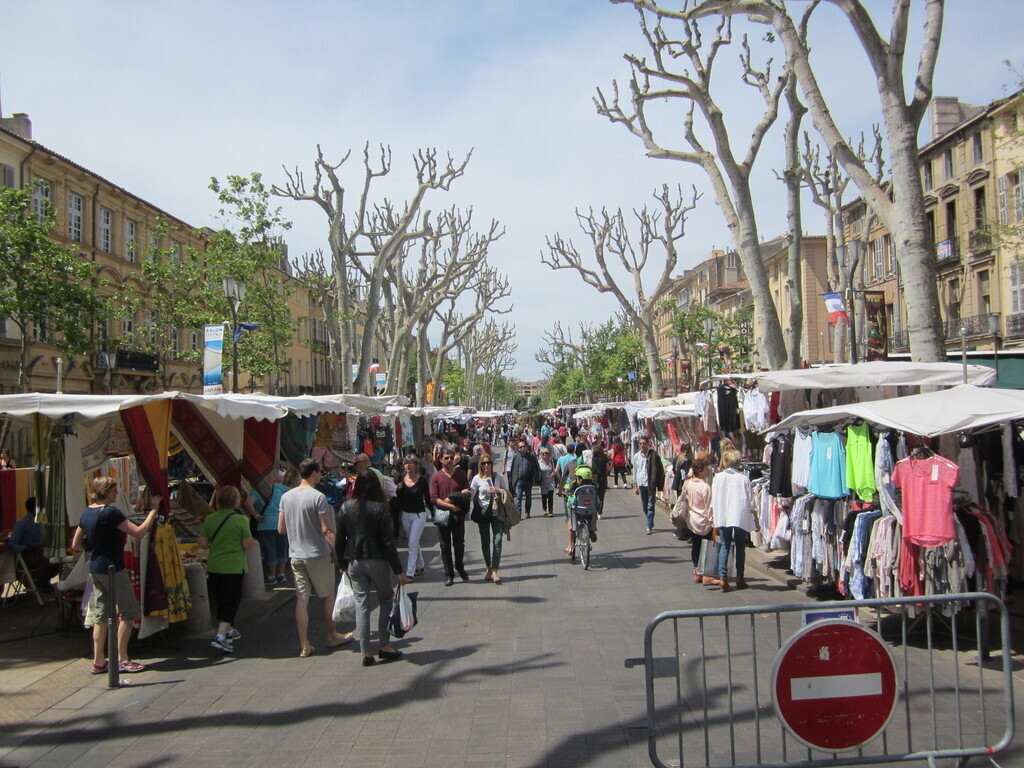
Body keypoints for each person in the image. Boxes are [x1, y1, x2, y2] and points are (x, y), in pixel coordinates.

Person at [70, 477, 161, 675]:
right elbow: (138, 532)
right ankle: (122, 658)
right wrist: (153, 510)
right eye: (114, 490)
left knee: (100, 615)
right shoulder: (110, 513)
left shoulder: (87, 513)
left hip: (96, 567)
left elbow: (76, 545)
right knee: (128, 611)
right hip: (113, 567)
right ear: (105, 491)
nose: (117, 493)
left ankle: (98, 660)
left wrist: (94, 546)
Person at [278, 458, 352, 657]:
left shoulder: (286, 496)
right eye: (319, 472)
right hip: (317, 553)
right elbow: (327, 530)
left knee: (302, 599)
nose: (321, 475)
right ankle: (332, 634)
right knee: (328, 595)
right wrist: (340, 550)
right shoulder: (317, 497)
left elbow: (281, 528)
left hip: (296, 554)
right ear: (313, 473)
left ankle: (304, 644)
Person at [336, 468, 410, 666]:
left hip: (354, 561)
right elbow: (388, 541)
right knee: (385, 599)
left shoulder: (346, 507)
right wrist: (398, 570)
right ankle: (384, 645)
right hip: (376, 559)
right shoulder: (380, 508)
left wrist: (342, 563)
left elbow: (339, 539)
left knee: (362, 604)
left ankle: (366, 652)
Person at [198, 486, 253, 653]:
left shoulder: (210, 519)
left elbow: (201, 544)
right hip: (234, 566)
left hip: (215, 565)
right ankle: (220, 636)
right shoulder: (241, 520)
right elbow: (247, 544)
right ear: (235, 502)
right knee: (232, 601)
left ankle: (227, 629)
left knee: (221, 599)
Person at [710, 449, 756, 592]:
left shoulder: (717, 477)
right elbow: (751, 501)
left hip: (723, 515)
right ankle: (740, 577)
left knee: (725, 545)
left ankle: (723, 578)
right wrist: (756, 519)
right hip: (739, 515)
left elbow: (713, 499)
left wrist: (712, 516)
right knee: (740, 546)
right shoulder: (743, 478)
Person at [429, 449, 471, 587]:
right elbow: (434, 498)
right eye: (446, 458)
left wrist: (453, 498)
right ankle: (449, 574)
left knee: (459, 544)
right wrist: (450, 505)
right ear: (441, 460)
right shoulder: (436, 477)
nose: (449, 460)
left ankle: (460, 567)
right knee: (444, 546)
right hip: (443, 515)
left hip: (458, 515)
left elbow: (466, 493)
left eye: (451, 458)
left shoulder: (461, 474)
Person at [470, 455, 509, 584]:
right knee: (485, 541)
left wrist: (498, 490)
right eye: (484, 463)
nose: (486, 465)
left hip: (497, 513)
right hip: (483, 514)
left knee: (497, 540)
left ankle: (495, 569)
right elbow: (472, 495)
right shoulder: (477, 479)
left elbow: (507, 493)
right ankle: (488, 567)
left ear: (492, 464)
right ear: (480, 465)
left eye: (488, 463)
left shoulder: (498, 477)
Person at [395, 454, 432, 582]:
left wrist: (433, 513)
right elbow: (399, 499)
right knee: (413, 541)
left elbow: (427, 498)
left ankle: (410, 573)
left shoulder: (421, 481)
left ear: (416, 465)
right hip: (406, 514)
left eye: (410, 463)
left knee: (411, 543)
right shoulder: (401, 478)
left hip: (419, 515)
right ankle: (420, 565)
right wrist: (398, 490)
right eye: (405, 463)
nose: (407, 465)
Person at [9, 497, 59, 588]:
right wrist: (27, 548)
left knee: (59, 556)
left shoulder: (41, 521)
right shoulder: (22, 524)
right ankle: (41, 582)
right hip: (27, 555)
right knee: (47, 558)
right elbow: (12, 543)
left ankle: (42, 580)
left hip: (39, 551)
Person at [255, 467, 292, 585]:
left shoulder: (257, 490)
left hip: (265, 524)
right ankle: (281, 575)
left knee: (269, 550)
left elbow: (247, 503)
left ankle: (271, 576)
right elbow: (293, 495)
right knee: (282, 549)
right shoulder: (281, 488)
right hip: (281, 523)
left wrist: (256, 515)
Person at [681, 457, 716, 584]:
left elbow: (685, 497)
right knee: (705, 547)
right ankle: (705, 573)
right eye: (706, 469)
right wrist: (713, 523)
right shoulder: (705, 487)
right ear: (700, 471)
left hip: (692, 520)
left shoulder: (688, 484)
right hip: (704, 521)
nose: (708, 471)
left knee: (695, 546)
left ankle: (696, 570)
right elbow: (709, 507)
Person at [633, 436, 666, 535]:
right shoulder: (636, 457)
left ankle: (648, 525)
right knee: (644, 506)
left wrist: (660, 483)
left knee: (650, 506)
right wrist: (635, 484)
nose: (642, 445)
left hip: (650, 483)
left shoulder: (653, 456)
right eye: (640, 443)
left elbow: (659, 470)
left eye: (644, 443)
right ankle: (650, 520)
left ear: (648, 444)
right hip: (641, 483)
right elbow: (635, 471)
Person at [564, 465, 599, 554]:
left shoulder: (576, 487)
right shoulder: (593, 487)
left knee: (570, 513)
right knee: (593, 513)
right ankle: (592, 530)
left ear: (579, 479)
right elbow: (598, 501)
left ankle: (570, 546)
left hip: (578, 511)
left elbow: (573, 500)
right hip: (590, 510)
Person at [507, 440, 540, 519]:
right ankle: (518, 514)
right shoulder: (516, 457)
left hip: (528, 480)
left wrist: (536, 478)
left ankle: (527, 512)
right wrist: (512, 481)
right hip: (519, 480)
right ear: (518, 448)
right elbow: (513, 469)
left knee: (528, 497)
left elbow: (536, 467)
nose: (522, 448)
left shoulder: (531, 456)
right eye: (520, 447)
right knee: (518, 497)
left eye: (523, 446)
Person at [671, 446, 694, 541]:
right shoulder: (687, 460)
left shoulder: (677, 458)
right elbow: (686, 474)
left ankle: (679, 530)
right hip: (683, 485)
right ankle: (684, 531)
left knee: (680, 507)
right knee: (685, 508)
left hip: (677, 484)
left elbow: (674, 470)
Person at [591, 441, 611, 513]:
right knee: (601, 496)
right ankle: (600, 512)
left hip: (594, 478)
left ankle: (594, 510)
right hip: (603, 478)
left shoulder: (593, 458)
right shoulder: (605, 458)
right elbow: (608, 469)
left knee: (594, 495)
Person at [537, 447, 558, 517]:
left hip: (551, 481)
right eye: (543, 454)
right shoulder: (539, 462)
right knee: (544, 496)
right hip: (543, 481)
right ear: (540, 455)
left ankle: (551, 510)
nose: (544, 455)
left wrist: (554, 473)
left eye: (546, 453)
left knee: (550, 496)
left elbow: (554, 469)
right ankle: (544, 508)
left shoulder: (551, 461)